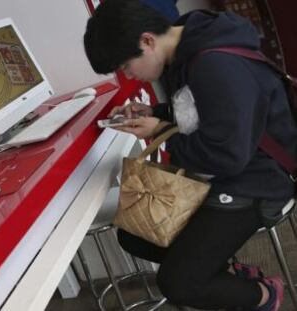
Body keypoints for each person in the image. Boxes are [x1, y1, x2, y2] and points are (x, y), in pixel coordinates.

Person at [83, 0, 297, 310]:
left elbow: (226, 154)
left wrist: (159, 132)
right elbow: (205, 108)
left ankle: (264, 295)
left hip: (259, 182)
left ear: (147, 40)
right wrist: (157, 112)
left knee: (177, 284)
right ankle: (223, 274)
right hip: (231, 172)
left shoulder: (214, 64)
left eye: (126, 65)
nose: (131, 75)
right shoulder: (187, 47)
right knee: (136, 235)